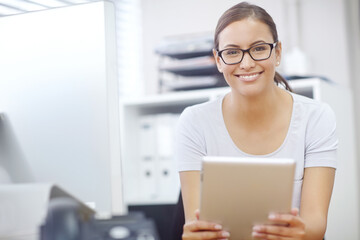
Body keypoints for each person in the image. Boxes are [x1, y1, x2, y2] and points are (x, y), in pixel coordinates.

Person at [175, 2, 338, 240]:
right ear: (218, 60)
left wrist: (292, 232)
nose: (247, 63)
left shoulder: (317, 117)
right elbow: (195, 224)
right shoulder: (194, 122)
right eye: (232, 52)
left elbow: (315, 226)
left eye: (259, 48)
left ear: (278, 52)